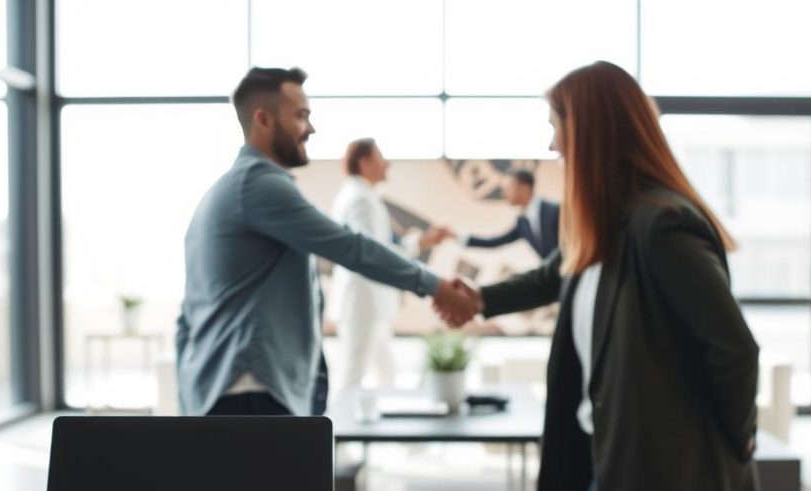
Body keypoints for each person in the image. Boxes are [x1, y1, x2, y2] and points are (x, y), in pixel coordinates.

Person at [435, 61, 761, 491]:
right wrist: (480, 299)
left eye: (556, 126)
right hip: (601, 453)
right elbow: (553, 274)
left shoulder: (663, 226)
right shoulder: (605, 219)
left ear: (589, 130)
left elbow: (734, 347)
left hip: (659, 470)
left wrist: (737, 439)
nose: (552, 145)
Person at [176, 67, 475, 417]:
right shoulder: (259, 187)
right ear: (263, 120)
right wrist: (437, 287)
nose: (311, 128)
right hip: (250, 391)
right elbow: (353, 247)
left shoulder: (235, 189)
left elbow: (187, 316)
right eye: (301, 116)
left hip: (233, 389)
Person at [329, 138, 446, 390]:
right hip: (363, 298)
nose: (387, 164)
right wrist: (420, 248)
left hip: (369, 299)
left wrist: (420, 243)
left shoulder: (363, 195)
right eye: (381, 158)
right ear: (364, 163)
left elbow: (379, 246)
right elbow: (372, 252)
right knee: (353, 372)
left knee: (385, 371)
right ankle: (336, 428)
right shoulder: (359, 198)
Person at [445, 169, 559, 259]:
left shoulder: (556, 210)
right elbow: (493, 242)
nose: (504, 193)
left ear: (524, 188)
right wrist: (456, 236)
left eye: (509, 188)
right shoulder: (522, 223)